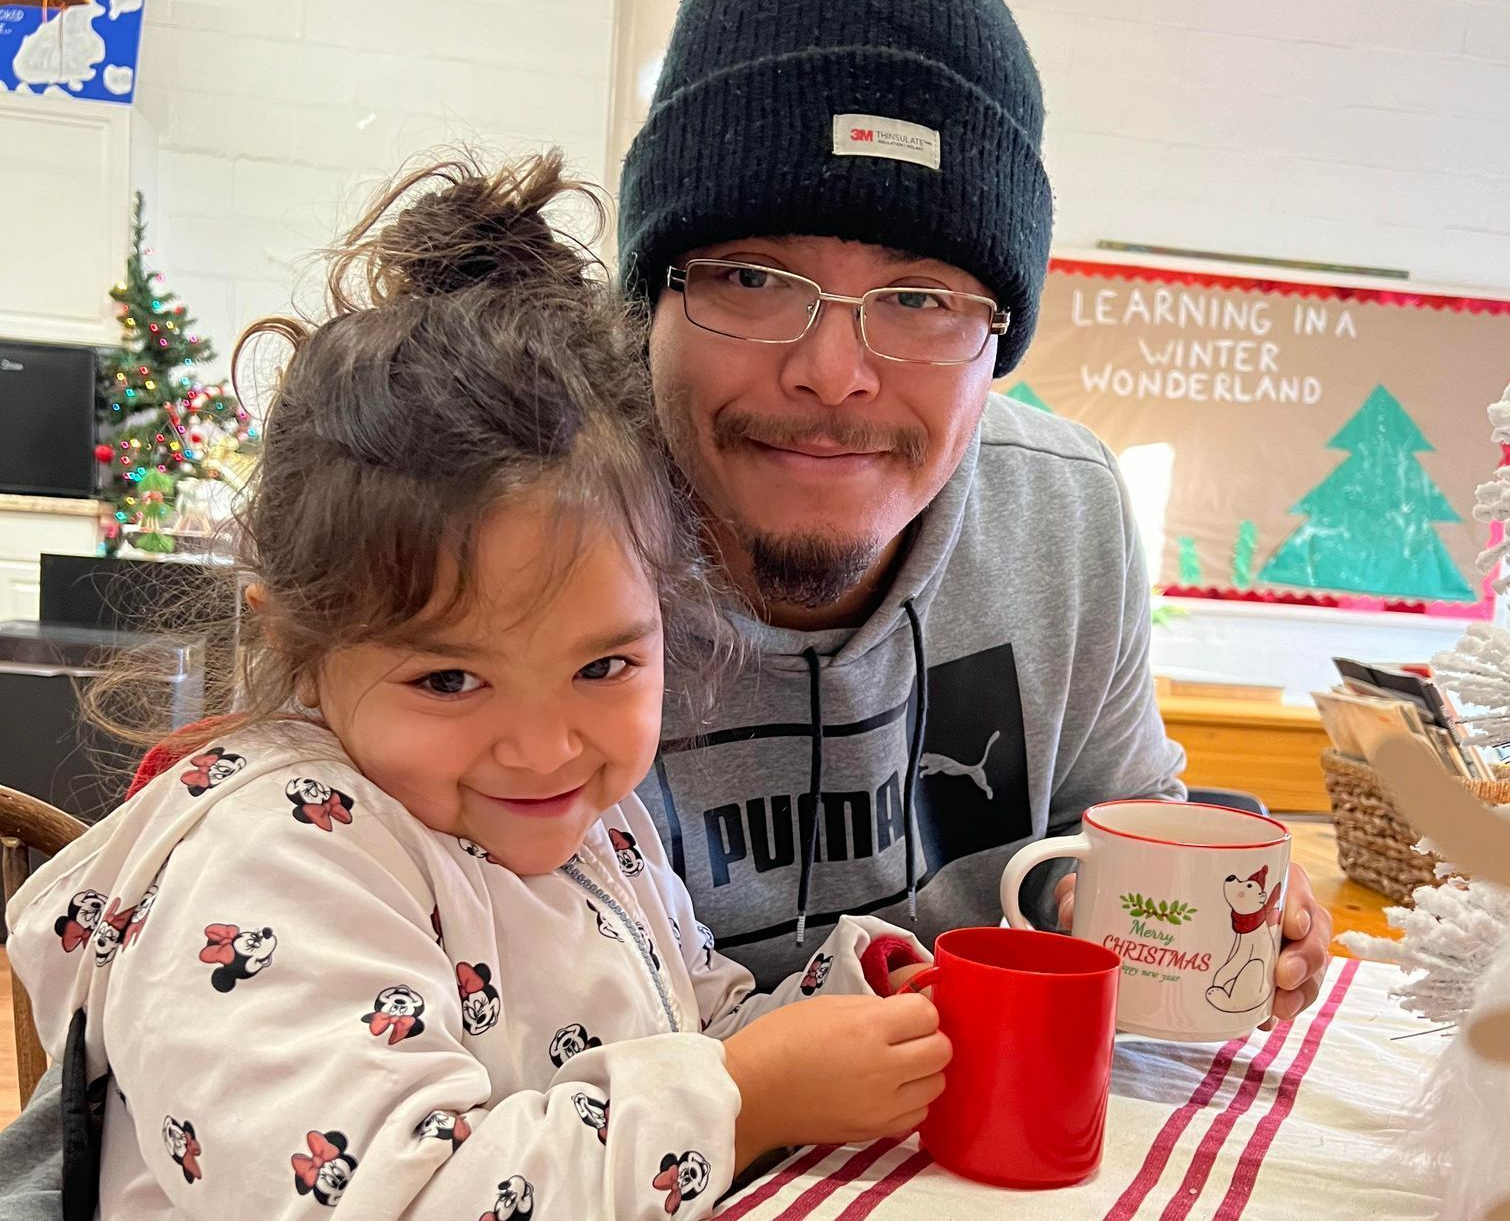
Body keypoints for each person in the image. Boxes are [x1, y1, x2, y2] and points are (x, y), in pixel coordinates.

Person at [3, 153, 949, 1220]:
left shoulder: (593, 825)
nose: (545, 744)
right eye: (451, 677)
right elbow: (403, 1198)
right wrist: (744, 1097)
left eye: (605, 665)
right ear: (307, 648)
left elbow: (690, 1020)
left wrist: (846, 1009)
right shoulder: (276, 862)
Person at [616, 0, 1333, 1006]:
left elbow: (1099, 847)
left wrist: (1190, 910)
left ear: (998, 338)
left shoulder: (1066, 516)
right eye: (752, 276)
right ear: (648, 299)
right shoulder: (534, 515)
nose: (833, 370)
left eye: (920, 296)